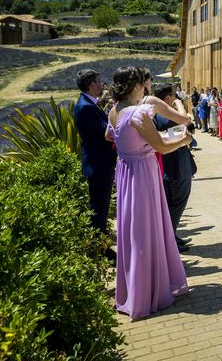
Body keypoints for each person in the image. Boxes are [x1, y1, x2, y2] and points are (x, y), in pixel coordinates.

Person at [107, 67, 190, 319]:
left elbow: (112, 137)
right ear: (136, 87)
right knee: (147, 230)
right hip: (143, 174)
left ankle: (135, 289)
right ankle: (148, 293)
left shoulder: (114, 111)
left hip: (125, 172)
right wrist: (183, 140)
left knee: (133, 231)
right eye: (143, 85)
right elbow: (161, 147)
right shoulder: (137, 112)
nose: (146, 88)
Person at [73, 69, 118, 261]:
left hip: (99, 163)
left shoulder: (88, 103)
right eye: (99, 81)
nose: (102, 84)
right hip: (98, 165)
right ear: (92, 84)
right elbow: (106, 134)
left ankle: (101, 249)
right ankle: (100, 252)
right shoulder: (86, 107)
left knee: (100, 208)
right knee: (98, 210)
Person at [153, 83, 195, 253]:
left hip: (167, 166)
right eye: (173, 95)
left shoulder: (155, 114)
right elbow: (186, 121)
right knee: (177, 203)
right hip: (176, 166)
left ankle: (173, 236)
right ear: (168, 98)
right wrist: (178, 104)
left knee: (170, 204)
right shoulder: (166, 116)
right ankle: (169, 241)